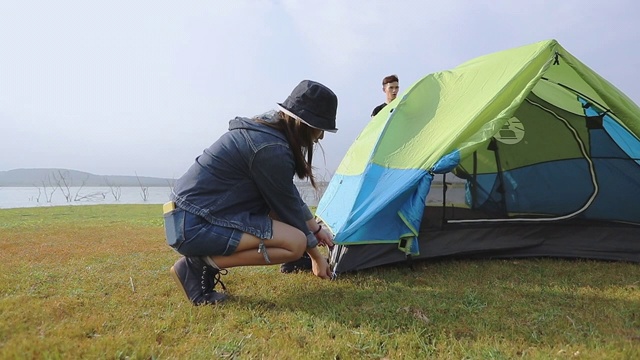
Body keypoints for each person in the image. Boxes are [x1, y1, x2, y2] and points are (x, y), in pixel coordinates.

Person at [163, 80, 337, 306]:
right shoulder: (271, 149)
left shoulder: (267, 134)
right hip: (194, 225)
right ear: (304, 124)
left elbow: (286, 195)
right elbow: (286, 207)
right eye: (320, 128)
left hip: (188, 218)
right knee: (295, 243)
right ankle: (198, 265)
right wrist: (315, 255)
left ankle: (204, 262)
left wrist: (315, 229)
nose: (321, 137)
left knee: (300, 236)